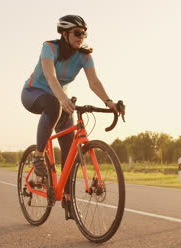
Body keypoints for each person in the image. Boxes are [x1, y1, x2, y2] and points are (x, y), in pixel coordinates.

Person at [21, 15, 118, 198]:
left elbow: (94, 82)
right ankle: (39, 156)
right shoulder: (49, 48)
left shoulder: (84, 56)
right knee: (53, 105)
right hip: (33, 93)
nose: (81, 37)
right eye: (77, 33)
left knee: (68, 146)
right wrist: (63, 98)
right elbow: (50, 76)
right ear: (64, 34)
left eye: (84, 33)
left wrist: (109, 102)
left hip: (59, 98)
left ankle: (67, 198)